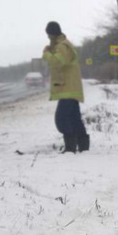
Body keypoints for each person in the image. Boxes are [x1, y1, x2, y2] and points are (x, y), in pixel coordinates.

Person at [42, 21, 89, 153]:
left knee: (61, 119)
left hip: (68, 89)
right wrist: (52, 50)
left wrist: (46, 53)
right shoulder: (62, 45)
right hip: (69, 89)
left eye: (48, 35)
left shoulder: (63, 46)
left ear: (51, 34)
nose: (47, 38)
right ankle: (83, 147)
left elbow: (57, 62)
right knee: (74, 119)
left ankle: (70, 147)